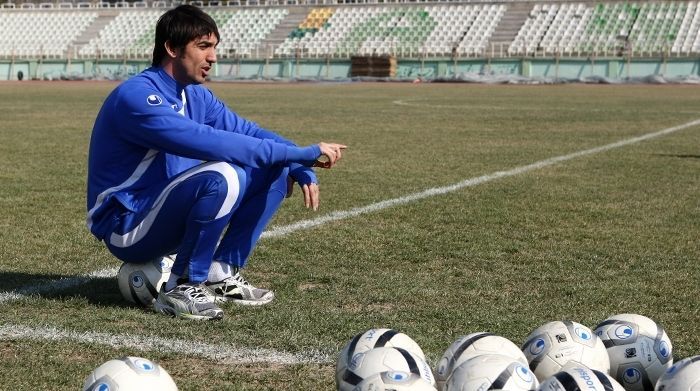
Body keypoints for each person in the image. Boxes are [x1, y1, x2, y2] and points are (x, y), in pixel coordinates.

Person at [86, 5, 346, 321]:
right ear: (171, 47)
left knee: (275, 167)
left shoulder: (196, 96)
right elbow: (216, 143)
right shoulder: (137, 97)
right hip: (127, 225)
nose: (213, 57)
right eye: (203, 46)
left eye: (214, 47)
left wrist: (297, 161)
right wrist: (301, 152)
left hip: (164, 213)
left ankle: (220, 273)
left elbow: (250, 132)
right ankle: (181, 286)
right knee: (225, 173)